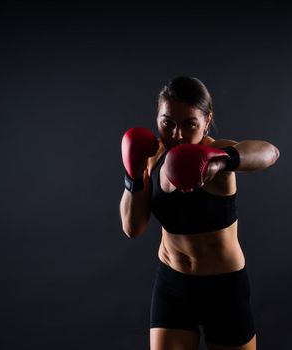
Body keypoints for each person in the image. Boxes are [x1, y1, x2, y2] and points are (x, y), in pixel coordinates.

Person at [120, 76, 280, 350]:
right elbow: (133, 228)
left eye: (189, 124)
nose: (177, 134)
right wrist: (134, 175)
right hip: (173, 285)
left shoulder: (215, 153)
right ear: (157, 118)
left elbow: (270, 152)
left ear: (206, 121)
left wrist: (222, 162)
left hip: (223, 290)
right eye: (167, 122)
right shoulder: (152, 157)